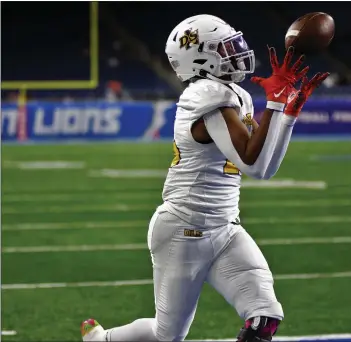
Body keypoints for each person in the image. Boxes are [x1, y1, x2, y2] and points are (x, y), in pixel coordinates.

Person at [81, 14, 328, 342]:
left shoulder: (231, 94)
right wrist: (274, 103)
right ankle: (100, 340)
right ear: (200, 58)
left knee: (264, 317)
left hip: (224, 228)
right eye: (226, 47)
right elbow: (252, 162)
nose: (236, 52)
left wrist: (286, 114)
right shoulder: (205, 94)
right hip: (186, 230)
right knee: (166, 336)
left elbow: (265, 166)